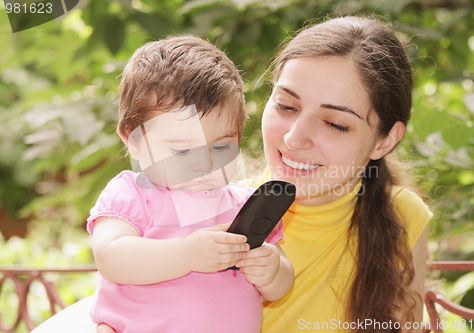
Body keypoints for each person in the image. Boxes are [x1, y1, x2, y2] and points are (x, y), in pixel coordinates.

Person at [33, 15, 431, 333]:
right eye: (286, 106)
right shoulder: (232, 206)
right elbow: (121, 276)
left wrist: (272, 269)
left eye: (335, 124)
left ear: (385, 139)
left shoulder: (399, 217)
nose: (294, 138)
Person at [86, 35, 294, 333]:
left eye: (220, 147)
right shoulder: (132, 193)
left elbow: (281, 283)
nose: (204, 163)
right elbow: (110, 257)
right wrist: (186, 254)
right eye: (182, 151)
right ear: (133, 140)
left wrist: (272, 270)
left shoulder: (245, 204)